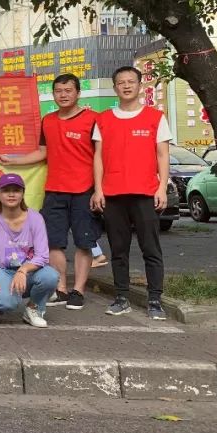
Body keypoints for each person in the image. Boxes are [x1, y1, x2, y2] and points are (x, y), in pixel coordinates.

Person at [0, 73, 99, 310]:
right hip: (55, 190)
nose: (63, 95)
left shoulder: (93, 119)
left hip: (84, 190)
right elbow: (42, 152)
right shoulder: (48, 121)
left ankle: (78, 290)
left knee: (84, 242)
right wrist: (11, 160)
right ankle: (61, 288)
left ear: (78, 93)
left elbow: (101, 156)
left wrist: (99, 190)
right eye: (58, 91)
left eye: (68, 90)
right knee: (53, 242)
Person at [92, 66, 171, 319]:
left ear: (140, 86)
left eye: (131, 81)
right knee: (118, 250)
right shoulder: (103, 119)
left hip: (146, 193)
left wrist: (162, 187)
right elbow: (98, 157)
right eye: (121, 82)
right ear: (115, 87)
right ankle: (121, 297)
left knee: (151, 249)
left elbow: (163, 155)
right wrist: (98, 189)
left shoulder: (155, 117)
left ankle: (155, 300)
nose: (126, 86)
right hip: (113, 194)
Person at [0, 173, 60, 328]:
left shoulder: (35, 218)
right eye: (6, 190)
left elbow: (42, 255)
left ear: (23, 193)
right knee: (6, 303)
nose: (11, 194)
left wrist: (23, 270)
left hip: (28, 271)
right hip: (2, 270)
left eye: (16, 190)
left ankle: (33, 308)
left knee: (51, 276)